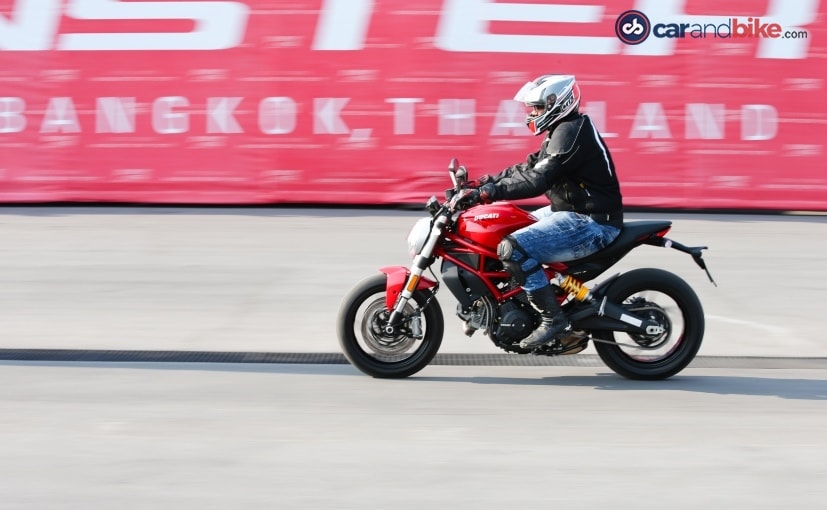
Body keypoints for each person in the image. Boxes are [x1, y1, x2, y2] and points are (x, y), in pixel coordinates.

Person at [464, 74, 624, 350]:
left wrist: (488, 194)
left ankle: (552, 319)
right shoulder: (563, 131)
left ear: (557, 103)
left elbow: (537, 181)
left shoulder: (571, 131)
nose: (532, 113)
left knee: (512, 249)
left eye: (537, 107)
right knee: (506, 230)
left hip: (591, 222)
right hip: (572, 213)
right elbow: (526, 169)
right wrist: (482, 184)